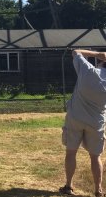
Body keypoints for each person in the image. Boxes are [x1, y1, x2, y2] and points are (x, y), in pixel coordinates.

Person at [59, 49, 106, 197]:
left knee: (71, 152)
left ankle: (68, 185)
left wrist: (97, 53)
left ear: (102, 62)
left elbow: (75, 52)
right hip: (96, 121)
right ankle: (98, 190)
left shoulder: (88, 70)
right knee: (95, 156)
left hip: (76, 118)